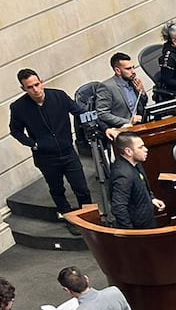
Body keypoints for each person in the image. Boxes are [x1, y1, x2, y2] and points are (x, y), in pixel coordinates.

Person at [9, 69, 93, 227]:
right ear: (23, 89)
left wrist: (100, 124)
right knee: (57, 189)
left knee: (81, 187)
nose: (35, 90)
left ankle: (90, 218)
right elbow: (15, 131)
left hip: (68, 152)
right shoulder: (18, 107)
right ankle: (69, 220)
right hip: (45, 157)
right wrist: (33, 144)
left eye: (37, 84)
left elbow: (80, 112)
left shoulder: (58, 96)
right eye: (30, 87)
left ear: (41, 82)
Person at [109, 132, 163, 229]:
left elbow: (142, 185)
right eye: (140, 147)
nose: (145, 149)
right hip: (139, 228)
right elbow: (118, 208)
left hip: (147, 219)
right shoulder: (123, 175)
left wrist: (151, 198)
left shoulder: (136, 163)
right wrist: (131, 233)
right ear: (128, 151)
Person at [97, 53, 147, 129]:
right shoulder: (107, 87)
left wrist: (142, 92)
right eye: (128, 69)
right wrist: (128, 121)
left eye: (133, 67)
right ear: (118, 71)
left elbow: (142, 104)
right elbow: (102, 113)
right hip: (122, 129)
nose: (133, 71)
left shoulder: (134, 82)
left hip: (140, 125)